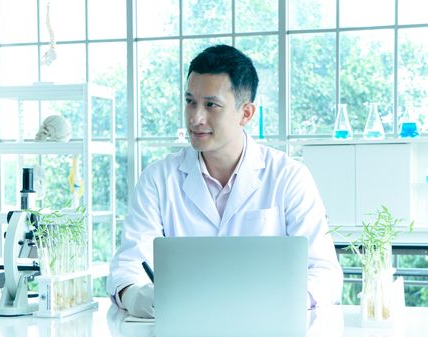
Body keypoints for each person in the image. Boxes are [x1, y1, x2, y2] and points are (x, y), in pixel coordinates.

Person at [107, 44, 343, 318]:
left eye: (211, 105)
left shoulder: (289, 176)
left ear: (246, 113)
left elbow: (325, 272)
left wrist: (283, 302)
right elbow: (128, 265)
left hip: (267, 332)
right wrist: (139, 296)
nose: (195, 118)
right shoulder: (157, 179)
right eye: (190, 102)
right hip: (182, 329)